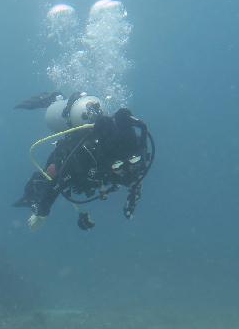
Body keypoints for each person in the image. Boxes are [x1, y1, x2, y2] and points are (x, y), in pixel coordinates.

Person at [13, 92, 155, 230]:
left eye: (133, 161)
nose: (126, 169)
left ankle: (63, 102)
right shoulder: (82, 157)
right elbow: (55, 186)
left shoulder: (130, 149)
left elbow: (135, 177)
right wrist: (42, 213)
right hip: (72, 157)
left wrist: (133, 197)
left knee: (128, 165)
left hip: (98, 155)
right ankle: (55, 100)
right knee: (48, 175)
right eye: (117, 165)